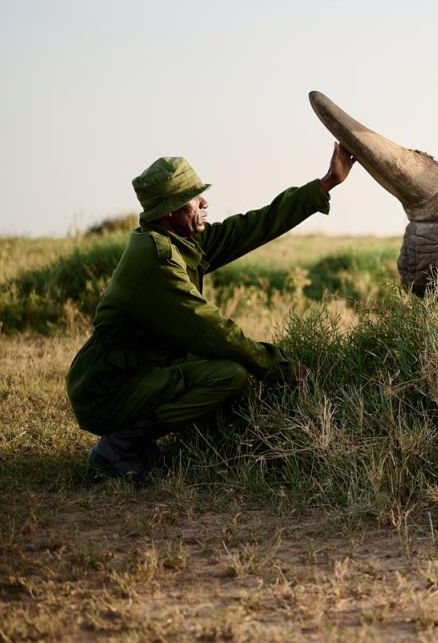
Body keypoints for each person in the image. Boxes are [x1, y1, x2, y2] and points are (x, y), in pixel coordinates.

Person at [66, 144, 357, 483]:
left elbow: (253, 226)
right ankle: (119, 447)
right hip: (107, 388)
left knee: (215, 365)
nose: (204, 203)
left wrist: (325, 184)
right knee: (228, 374)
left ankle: (150, 440)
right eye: (193, 198)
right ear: (169, 212)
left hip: (140, 368)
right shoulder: (157, 261)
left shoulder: (176, 239)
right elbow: (214, 331)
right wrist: (278, 367)